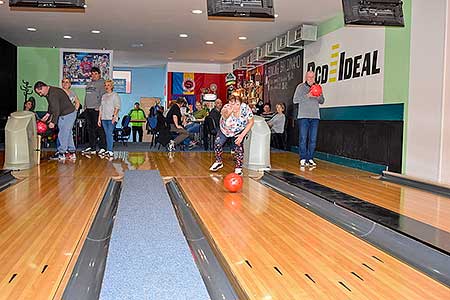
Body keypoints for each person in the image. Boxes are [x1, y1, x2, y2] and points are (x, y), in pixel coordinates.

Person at [209, 94, 254, 176]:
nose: (236, 107)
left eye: (237, 104)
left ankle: (238, 168)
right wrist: (229, 112)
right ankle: (218, 162)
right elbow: (225, 116)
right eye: (233, 104)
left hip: (238, 130)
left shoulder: (245, 109)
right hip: (225, 130)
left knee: (238, 146)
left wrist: (242, 135)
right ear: (229, 103)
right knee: (217, 143)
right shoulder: (226, 108)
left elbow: (251, 122)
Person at [34, 81, 77, 160]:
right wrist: (47, 114)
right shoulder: (49, 92)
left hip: (68, 114)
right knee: (68, 133)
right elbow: (51, 105)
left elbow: (56, 109)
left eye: (40, 92)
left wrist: (53, 122)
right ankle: (72, 152)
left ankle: (62, 153)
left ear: (43, 87)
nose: (40, 95)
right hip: (67, 113)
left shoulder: (53, 93)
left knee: (63, 133)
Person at [293, 71, 325, 167]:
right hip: (303, 116)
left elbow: (322, 101)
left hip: (315, 116)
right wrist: (308, 96)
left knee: (313, 139)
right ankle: (303, 158)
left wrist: (318, 96)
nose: (310, 79)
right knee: (303, 138)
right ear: (306, 77)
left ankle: (310, 158)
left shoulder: (318, 87)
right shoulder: (300, 87)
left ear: (314, 77)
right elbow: (295, 100)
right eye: (309, 77)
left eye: (312, 77)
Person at [82, 67, 107, 155]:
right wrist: (84, 106)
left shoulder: (102, 83)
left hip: (96, 109)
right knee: (90, 129)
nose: (94, 75)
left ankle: (103, 147)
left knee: (99, 129)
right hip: (88, 109)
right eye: (92, 74)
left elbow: (103, 97)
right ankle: (92, 147)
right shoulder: (89, 84)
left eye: (95, 73)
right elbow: (86, 96)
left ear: (99, 74)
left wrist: (98, 106)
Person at [98, 80, 121, 157]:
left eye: (108, 85)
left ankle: (110, 150)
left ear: (112, 86)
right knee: (106, 134)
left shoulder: (115, 95)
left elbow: (117, 107)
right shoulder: (104, 96)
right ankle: (108, 150)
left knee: (109, 134)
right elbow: (101, 108)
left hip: (111, 118)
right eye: (105, 85)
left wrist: (114, 116)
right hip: (104, 118)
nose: (106, 86)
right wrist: (99, 118)